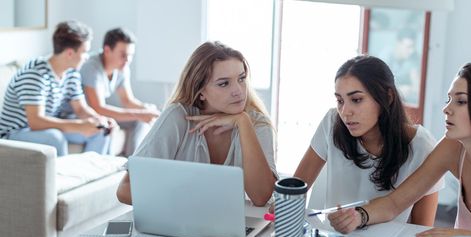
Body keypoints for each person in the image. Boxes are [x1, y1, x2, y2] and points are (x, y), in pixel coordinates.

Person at [329, 63, 471, 237]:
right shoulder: (452, 148)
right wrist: (359, 216)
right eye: (449, 99)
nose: (446, 108)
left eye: (461, 101)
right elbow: (395, 203)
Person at [116, 41, 277, 206]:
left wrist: (243, 122)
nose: (238, 90)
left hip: (232, 226)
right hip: (178, 221)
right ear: (201, 93)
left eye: (241, 79)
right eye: (224, 83)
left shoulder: (256, 124)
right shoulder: (178, 117)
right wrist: (184, 206)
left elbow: (261, 196)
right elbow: (126, 189)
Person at [295, 55, 443, 225]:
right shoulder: (332, 122)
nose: (345, 112)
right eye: (340, 100)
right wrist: (282, 205)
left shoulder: (421, 146)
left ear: (387, 97)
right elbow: (295, 188)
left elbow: (421, 231)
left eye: (356, 100)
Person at [0, 21, 115, 157]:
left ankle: (93, 174)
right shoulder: (35, 74)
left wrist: (100, 120)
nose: (87, 57)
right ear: (70, 53)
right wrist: (79, 125)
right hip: (14, 133)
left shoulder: (71, 72)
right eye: (85, 52)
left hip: (43, 127)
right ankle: (63, 178)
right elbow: (36, 122)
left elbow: (80, 109)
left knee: (100, 131)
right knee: (55, 137)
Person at [80, 28, 160, 156]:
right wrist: (140, 114)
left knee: (142, 120)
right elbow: (99, 108)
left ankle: (134, 162)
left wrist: (147, 109)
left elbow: (127, 100)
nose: (127, 60)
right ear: (107, 50)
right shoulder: (92, 68)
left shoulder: (122, 67)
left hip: (98, 114)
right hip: (85, 115)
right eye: (123, 55)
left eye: (131, 55)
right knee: (140, 117)